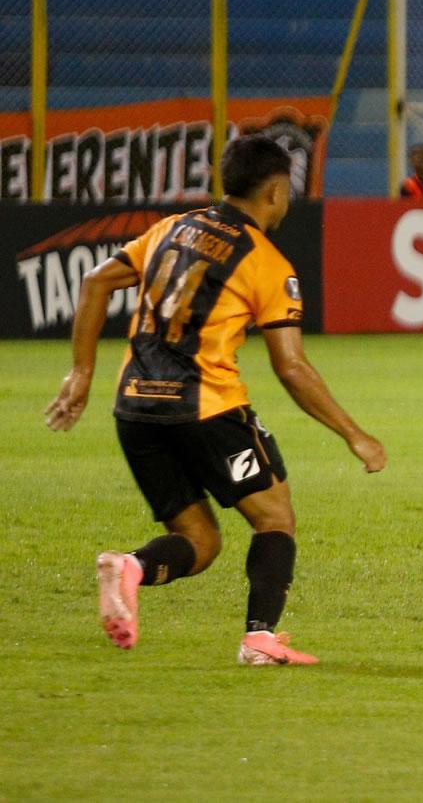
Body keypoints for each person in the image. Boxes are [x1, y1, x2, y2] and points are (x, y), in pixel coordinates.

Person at [45, 135, 387, 664]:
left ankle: (130, 567)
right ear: (275, 193)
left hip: (134, 407)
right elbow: (291, 367)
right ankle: (259, 638)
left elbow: (94, 283)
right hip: (207, 408)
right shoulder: (267, 263)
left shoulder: (170, 228)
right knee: (274, 517)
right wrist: (354, 434)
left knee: (199, 541)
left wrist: (81, 373)